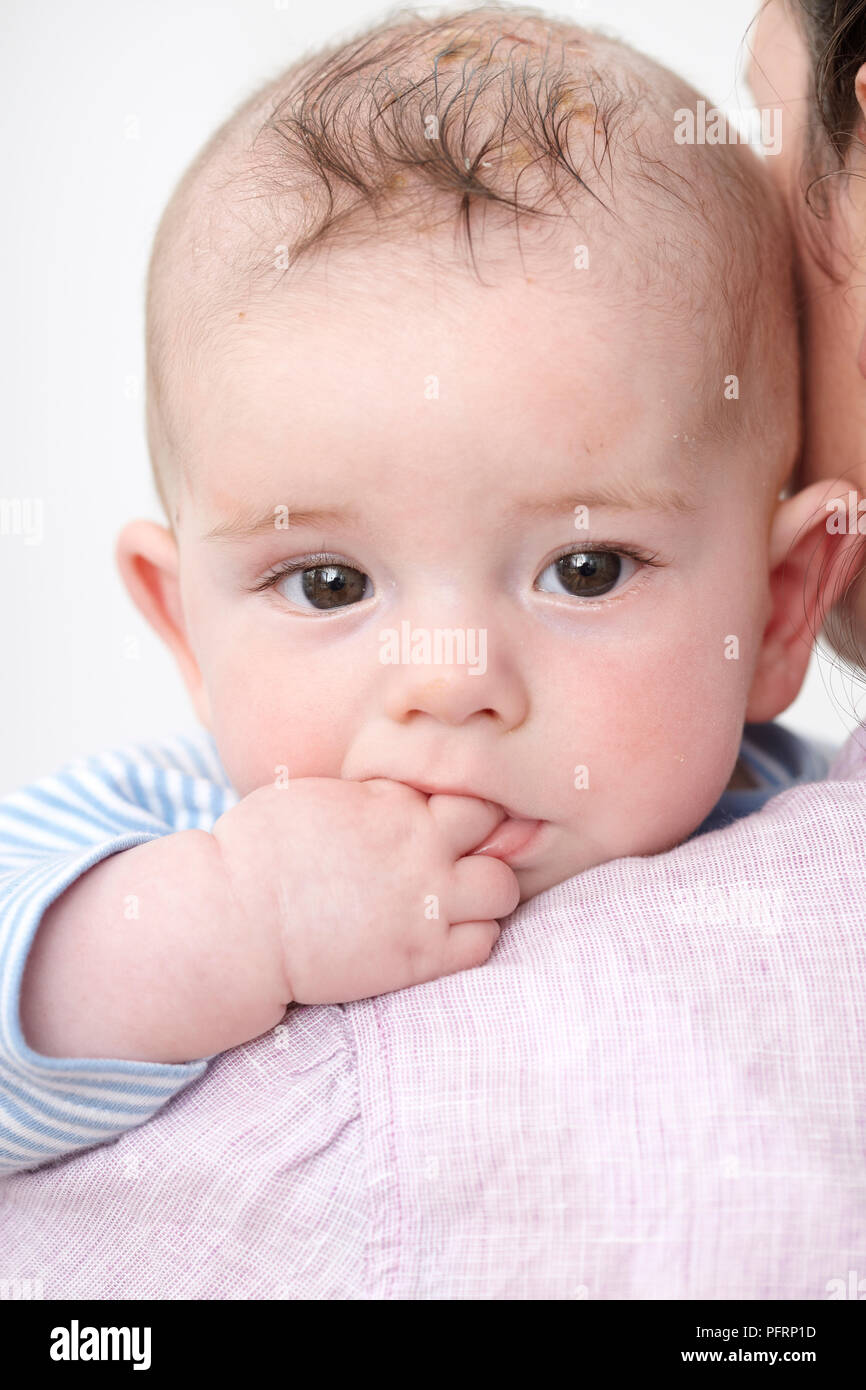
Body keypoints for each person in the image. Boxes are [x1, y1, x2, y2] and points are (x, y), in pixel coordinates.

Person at [0, 4, 863, 1299]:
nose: (450, 677)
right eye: (328, 581)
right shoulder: (164, 831)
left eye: (583, 569)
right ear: (182, 623)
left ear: (781, 604)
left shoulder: (794, 833)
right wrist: (233, 922)